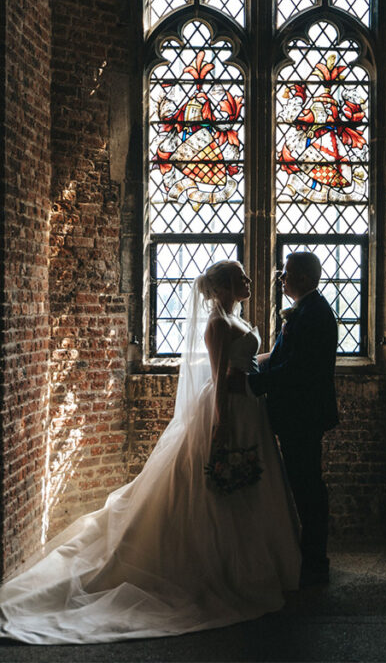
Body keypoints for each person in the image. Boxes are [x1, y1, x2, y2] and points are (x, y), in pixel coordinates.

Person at [0, 261, 300, 645]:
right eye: (242, 277)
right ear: (225, 285)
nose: (249, 281)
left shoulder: (234, 318)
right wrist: (221, 426)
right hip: (231, 411)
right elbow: (219, 376)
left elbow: (245, 366)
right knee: (220, 484)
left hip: (249, 409)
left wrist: (275, 363)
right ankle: (220, 567)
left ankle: (259, 564)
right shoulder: (218, 325)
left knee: (250, 484)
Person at [248, 251, 338, 587]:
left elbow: (299, 370)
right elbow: (285, 357)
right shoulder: (307, 309)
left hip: (303, 414)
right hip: (298, 413)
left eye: (285, 274)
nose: (281, 279)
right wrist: (254, 364)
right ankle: (311, 555)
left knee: (308, 485)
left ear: (300, 277)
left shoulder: (314, 314)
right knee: (303, 483)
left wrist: (252, 382)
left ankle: (316, 561)